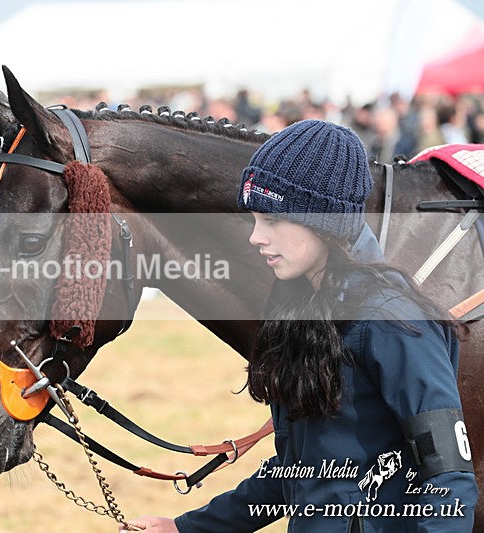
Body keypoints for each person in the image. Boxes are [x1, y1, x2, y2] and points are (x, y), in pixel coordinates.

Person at [121, 120, 477, 532]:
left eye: (273, 220)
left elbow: (449, 476)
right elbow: (299, 473)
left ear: (324, 220)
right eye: (255, 220)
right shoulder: (300, 313)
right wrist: (186, 527)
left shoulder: (394, 322)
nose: (256, 237)